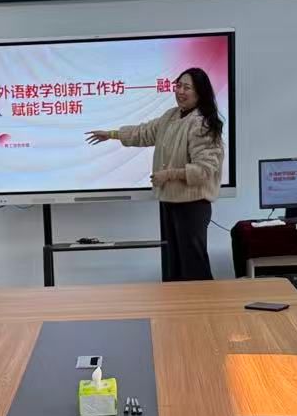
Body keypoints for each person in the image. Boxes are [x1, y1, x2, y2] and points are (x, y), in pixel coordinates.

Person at [85, 67, 224, 282]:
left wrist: (169, 175)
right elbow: (144, 132)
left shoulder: (202, 123)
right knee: (173, 266)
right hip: (170, 201)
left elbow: (205, 170)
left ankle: (203, 304)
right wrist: (112, 134)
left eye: (187, 87)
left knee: (193, 267)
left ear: (200, 93)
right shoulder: (171, 116)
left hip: (192, 205)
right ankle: (177, 304)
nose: (180, 91)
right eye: (178, 86)